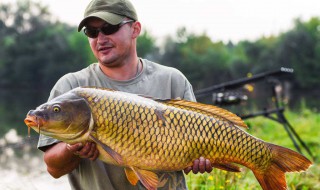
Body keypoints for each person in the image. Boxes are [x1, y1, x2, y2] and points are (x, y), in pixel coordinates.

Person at [37, 0, 212, 189]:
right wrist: (71, 148)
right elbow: (53, 168)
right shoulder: (71, 87)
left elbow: (194, 150)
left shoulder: (173, 80)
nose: (100, 38)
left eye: (109, 28)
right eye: (92, 32)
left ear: (135, 29)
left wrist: (200, 160)